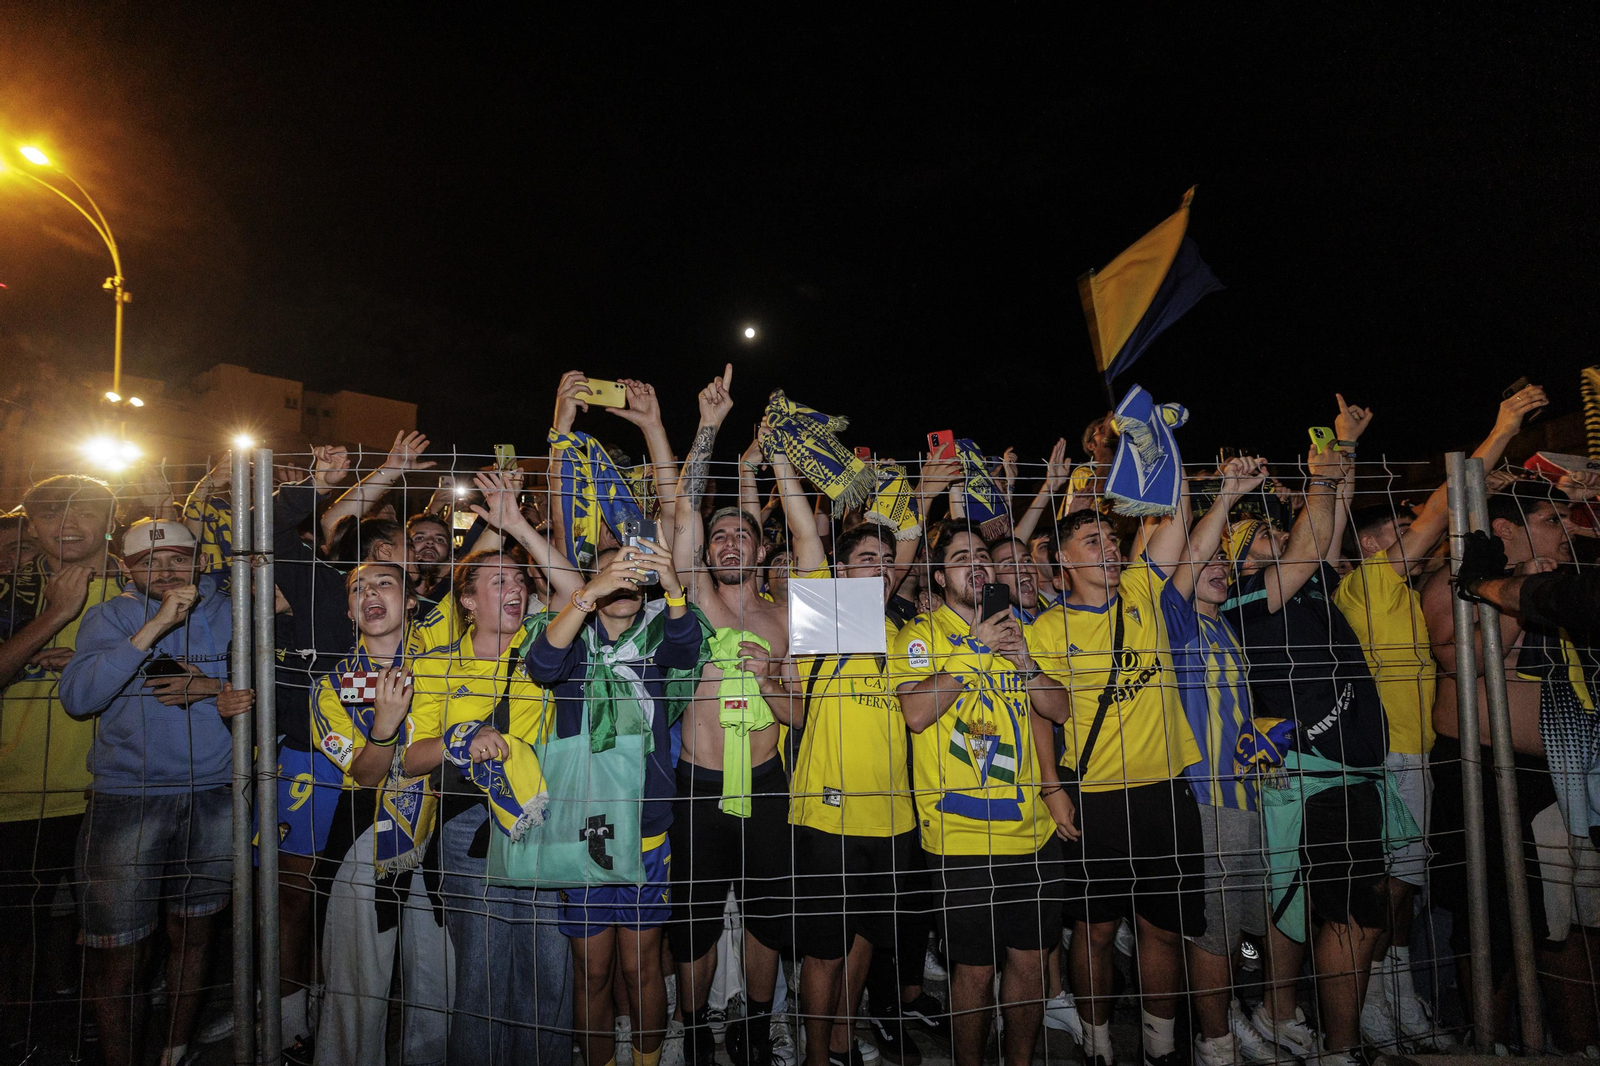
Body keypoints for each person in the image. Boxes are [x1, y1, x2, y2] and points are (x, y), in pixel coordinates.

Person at [1334, 384, 1546, 1050]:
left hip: (1417, 754)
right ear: (1370, 547)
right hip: (1381, 759)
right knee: (1379, 896)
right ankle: (1364, 1009)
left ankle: (1396, 1000)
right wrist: (1504, 425)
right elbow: (1440, 506)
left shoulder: (1403, 588)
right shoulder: (1369, 584)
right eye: (1398, 535)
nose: (1416, 539)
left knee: (1403, 894)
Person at [1220, 397, 1392, 1066]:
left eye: (1273, 526)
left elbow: (1330, 524)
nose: (1272, 532)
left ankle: (1278, 1010)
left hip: (1347, 763)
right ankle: (1339, 1048)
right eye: (1254, 529)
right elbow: (1317, 532)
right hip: (1310, 766)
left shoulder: (1309, 579)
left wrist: (1341, 450)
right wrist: (1323, 472)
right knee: (1347, 910)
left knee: (1290, 900)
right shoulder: (1247, 597)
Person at [668, 365, 822, 1066]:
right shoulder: (694, 594)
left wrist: (771, 681)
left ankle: (757, 1025)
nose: (730, 542)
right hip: (698, 788)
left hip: (765, 785)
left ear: (762, 551)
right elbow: (684, 513)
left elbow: (799, 712)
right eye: (721, 535)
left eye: (744, 536)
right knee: (696, 926)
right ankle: (696, 1026)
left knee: (767, 918)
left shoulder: (785, 617)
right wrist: (709, 425)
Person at [59, 518, 254, 1066]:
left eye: (178, 559)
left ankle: (175, 1049)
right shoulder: (111, 616)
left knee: (194, 932)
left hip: (215, 792)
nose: (167, 571)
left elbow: (271, 680)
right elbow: (78, 699)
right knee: (118, 947)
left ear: (200, 562)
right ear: (125, 569)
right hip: (129, 797)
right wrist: (155, 627)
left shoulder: (230, 608)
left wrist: (215, 689)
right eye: (150, 561)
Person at [1028, 500, 1206, 1066]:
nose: (1106, 546)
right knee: (1096, 931)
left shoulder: (1140, 592)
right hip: (1097, 799)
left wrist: (1210, 490)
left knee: (1163, 928)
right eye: (1090, 541)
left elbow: (1176, 529)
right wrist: (1052, 787)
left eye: (1110, 537)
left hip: (1164, 791)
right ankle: (1097, 1041)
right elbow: (1040, 712)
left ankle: (1160, 1045)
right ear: (1061, 558)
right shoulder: (1049, 627)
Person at [1423, 476, 1597, 1050]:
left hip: (1566, 776)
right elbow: (1465, 668)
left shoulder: (1565, 579)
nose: (1567, 531)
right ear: (1504, 529)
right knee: (1494, 921)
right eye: (1552, 519)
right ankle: (1490, 1044)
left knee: (1569, 920)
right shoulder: (1458, 584)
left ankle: (1577, 1046)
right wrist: (1517, 589)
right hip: (1486, 774)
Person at [889, 528, 1072, 1066]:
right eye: (961, 557)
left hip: (1032, 833)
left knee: (1032, 962)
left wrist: (1025, 663)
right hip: (959, 836)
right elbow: (916, 714)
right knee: (971, 971)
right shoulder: (919, 636)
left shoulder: (1020, 631)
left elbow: (1058, 710)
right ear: (940, 576)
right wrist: (975, 650)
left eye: (985, 558)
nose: (978, 565)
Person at [523, 536, 704, 1066]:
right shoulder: (572, 634)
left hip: (646, 822)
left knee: (642, 965)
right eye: (615, 573)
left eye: (636, 573)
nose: (626, 582)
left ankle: (647, 1059)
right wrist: (586, 594)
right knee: (593, 969)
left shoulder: (659, 634)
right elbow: (541, 666)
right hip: (583, 825)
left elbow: (687, 645)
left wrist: (671, 586)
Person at [403, 548, 573, 1066]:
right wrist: (462, 737)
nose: (515, 590)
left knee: (549, 966)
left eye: (520, 580)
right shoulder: (434, 665)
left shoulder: (549, 649)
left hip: (541, 820)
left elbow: (576, 594)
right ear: (468, 601)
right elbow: (410, 759)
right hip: (468, 827)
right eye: (498, 582)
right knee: (483, 970)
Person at [1154, 459, 1281, 1066]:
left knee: (1240, 933)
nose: (1218, 570)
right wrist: (1224, 498)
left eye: (1222, 566)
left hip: (1247, 796)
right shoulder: (1175, 627)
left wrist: (1259, 738)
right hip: (1205, 800)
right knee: (1211, 935)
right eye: (1204, 563)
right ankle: (1215, 1044)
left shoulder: (1227, 627)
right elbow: (1185, 559)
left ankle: (1231, 1016)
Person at [787, 525, 924, 1066]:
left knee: (866, 939)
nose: (882, 567)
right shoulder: (825, 618)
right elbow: (806, 537)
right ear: (841, 573)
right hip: (828, 817)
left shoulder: (908, 634)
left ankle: (842, 1044)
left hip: (895, 820)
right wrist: (783, 455)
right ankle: (816, 1056)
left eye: (889, 560)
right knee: (824, 951)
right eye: (867, 559)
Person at [310, 562, 452, 1066]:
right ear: (350, 611)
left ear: (411, 602)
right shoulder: (331, 685)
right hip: (366, 840)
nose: (370, 594)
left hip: (441, 838)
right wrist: (386, 726)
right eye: (358, 589)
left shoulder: (446, 662)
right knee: (356, 982)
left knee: (438, 978)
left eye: (384, 584)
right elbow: (367, 774)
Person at [0, 475, 122, 1029]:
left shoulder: (139, 584)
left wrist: (95, 660)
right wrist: (54, 615)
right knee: (19, 939)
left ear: (111, 519)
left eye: (83, 511)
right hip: (19, 791)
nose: (67, 524)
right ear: (30, 525)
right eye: (49, 513)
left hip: (114, 791)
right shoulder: (8, 590)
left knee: (111, 941)